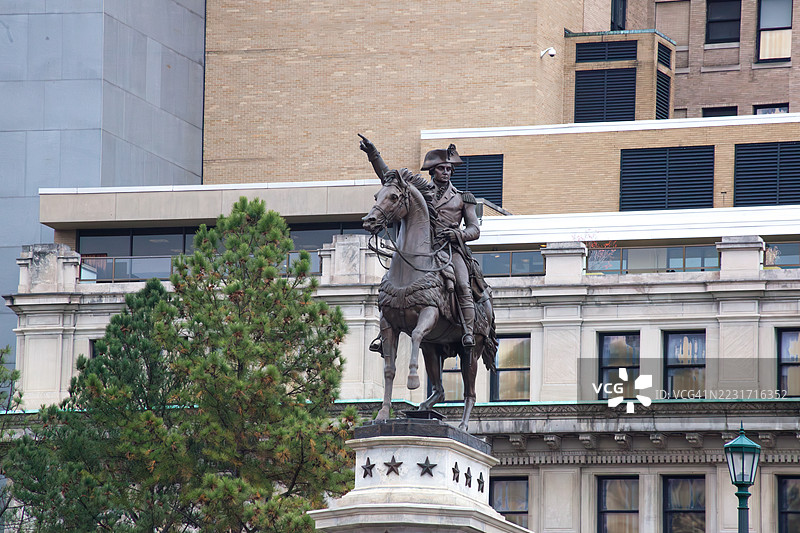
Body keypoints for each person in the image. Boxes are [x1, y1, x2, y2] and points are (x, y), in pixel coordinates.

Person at [359, 135, 480, 347]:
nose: (446, 172)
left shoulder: (463, 197)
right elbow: (389, 178)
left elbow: (474, 229)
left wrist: (458, 234)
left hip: (451, 249)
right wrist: (373, 155)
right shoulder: (420, 192)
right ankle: (384, 330)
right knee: (391, 280)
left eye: (449, 169)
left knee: (462, 284)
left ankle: (468, 331)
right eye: (442, 168)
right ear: (433, 171)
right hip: (423, 246)